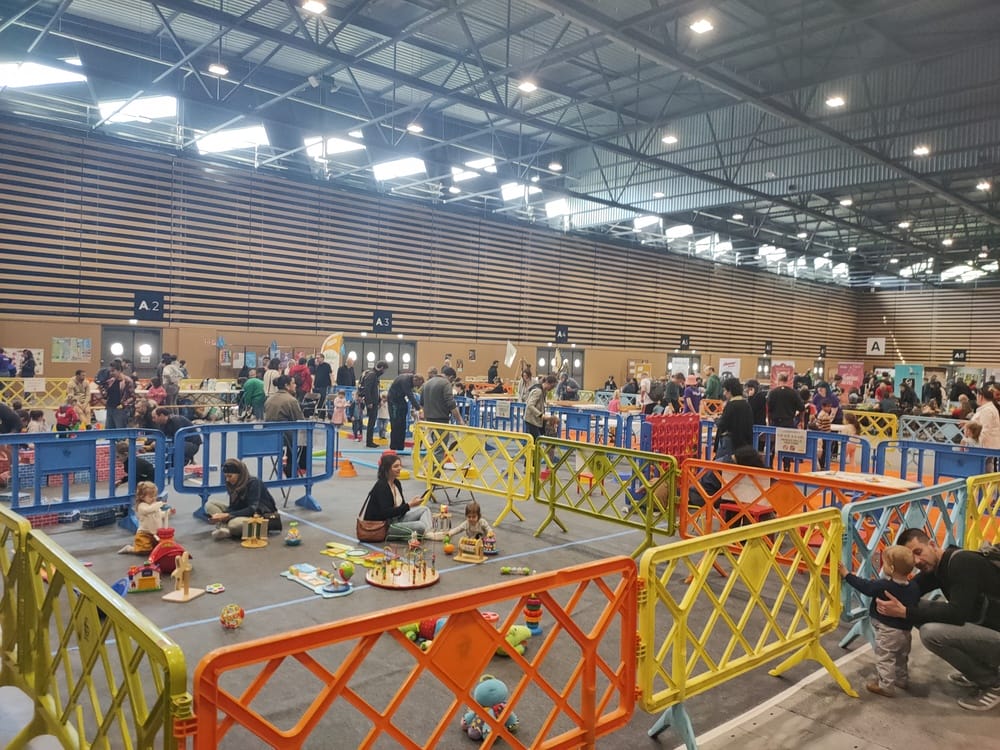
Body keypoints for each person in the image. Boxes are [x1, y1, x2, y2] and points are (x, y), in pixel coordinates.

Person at [876, 528, 1000, 711]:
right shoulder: (939, 567)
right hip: (989, 627)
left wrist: (905, 613)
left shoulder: (961, 563)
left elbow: (958, 614)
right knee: (914, 608)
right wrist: (880, 590)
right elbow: (909, 591)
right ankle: (981, 668)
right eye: (911, 558)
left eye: (918, 552)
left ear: (932, 545)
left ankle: (992, 683)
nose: (917, 561)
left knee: (931, 633)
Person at [840, 545, 920, 697]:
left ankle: (886, 685)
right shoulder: (914, 587)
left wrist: (847, 575)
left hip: (887, 631)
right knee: (901, 657)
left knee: (885, 658)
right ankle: (902, 679)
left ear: (891, 568)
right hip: (906, 632)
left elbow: (865, 587)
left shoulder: (884, 585)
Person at [206, 458, 281, 540]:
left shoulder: (254, 483)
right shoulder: (232, 483)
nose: (227, 479)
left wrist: (228, 515)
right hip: (241, 513)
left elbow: (252, 509)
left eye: (230, 476)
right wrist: (222, 515)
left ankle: (228, 528)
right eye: (226, 476)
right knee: (210, 504)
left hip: (258, 515)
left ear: (240, 474)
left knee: (234, 525)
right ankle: (227, 528)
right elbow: (233, 507)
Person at [360, 453, 432, 536]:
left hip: (396, 518)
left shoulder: (396, 483)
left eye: (400, 465)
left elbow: (401, 508)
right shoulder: (381, 486)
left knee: (424, 509)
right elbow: (386, 513)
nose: (399, 468)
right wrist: (409, 505)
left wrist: (412, 503)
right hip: (383, 525)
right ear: (387, 469)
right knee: (420, 526)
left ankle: (429, 532)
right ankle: (428, 532)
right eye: (395, 466)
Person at [264, 375, 307, 476]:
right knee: (305, 438)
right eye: (293, 383)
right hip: (285, 436)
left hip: (269, 436)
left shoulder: (269, 399)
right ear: (287, 386)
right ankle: (297, 467)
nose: (295, 385)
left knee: (292, 437)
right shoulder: (291, 400)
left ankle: (290, 466)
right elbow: (300, 420)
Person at [117, 481, 171, 555]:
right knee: (143, 550)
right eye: (151, 497)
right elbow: (148, 510)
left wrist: (167, 513)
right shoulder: (142, 506)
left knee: (162, 547)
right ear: (142, 497)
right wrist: (160, 503)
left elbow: (159, 514)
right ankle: (129, 548)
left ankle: (152, 547)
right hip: (145, 533)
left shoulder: (154, 505)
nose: (154, 498)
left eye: (155, 496)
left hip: (155, 533)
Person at [713, 378, 753, 461]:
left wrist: (716, 419)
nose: (724, 393)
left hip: (729, 441)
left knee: (719, 464)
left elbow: (723, 424)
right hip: (743, 443)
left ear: (730, 390)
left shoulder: (731, 405)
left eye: (725, 390)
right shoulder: (746, 405)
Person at [386, 373, 423, 451]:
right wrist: (419, 409)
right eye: (417, 385)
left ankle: (400, 447)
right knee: (395, 424)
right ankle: (393, 447)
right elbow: (410, 395)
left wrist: (415, 408)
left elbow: (411, 395)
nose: (416, 387)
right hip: (393, 401)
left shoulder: (410, 380)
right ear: (416, 380)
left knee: (403, 424)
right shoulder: (405, 380)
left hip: (400, 399)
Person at [426, 500, 494, 542]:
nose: (471, 519)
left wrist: (490, 532)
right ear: (466, 516)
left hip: (484, 542)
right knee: (463, 542)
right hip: (471, 541)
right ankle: (429, 535)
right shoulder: (466, 523)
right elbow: (458, 529)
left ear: (478, 516)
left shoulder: (482, 522)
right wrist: (450, 533)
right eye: (469, 517)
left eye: (473, 517)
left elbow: (488, 528)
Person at [359, 360, 388, 448]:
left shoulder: (374, 375)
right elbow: (367, 389)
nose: (384, 372)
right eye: (384, 369)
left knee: (372, 422)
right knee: (371, 422)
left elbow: (375, 390)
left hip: (374, 402)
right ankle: (369, 441)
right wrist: (369, 402)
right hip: (371, 402)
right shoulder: (372, 375)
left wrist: (378, 401)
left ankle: (370, 440)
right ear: (381, 368)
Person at [524, 374, 558, 440]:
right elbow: (530, 405)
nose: (552, 389)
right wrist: (541, 415)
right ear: (547, 382)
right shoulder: (538, 391)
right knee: (535, 441)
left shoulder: (543, 391)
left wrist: (546, 404)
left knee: (536, 440)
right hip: (531, 420)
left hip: (536, 420)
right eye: (552, 386)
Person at [104, 361, 136, 430]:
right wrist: (101, 388)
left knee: (120, 431)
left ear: (119, 370)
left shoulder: (128, 381)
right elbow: (106, 395)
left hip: (121, 410)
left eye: (113, 371)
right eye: (110, 371)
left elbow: (133, 397)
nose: (111, 373)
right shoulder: (110, 381)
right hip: (110, 408)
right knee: (108, 431)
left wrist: (123, 404)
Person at [312, 353, 333, 418]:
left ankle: (322, 415)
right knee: (317, 401)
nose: (317, 359)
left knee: (322, 400)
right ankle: (319, 414)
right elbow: (315, 376)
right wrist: (312, 384)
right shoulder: (316, 366)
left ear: (322, 358)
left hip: (324, 386)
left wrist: (332, 383)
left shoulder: (327, 366)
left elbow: (330, 375)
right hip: (316, 386)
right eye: (316, 358)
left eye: (318, 358)